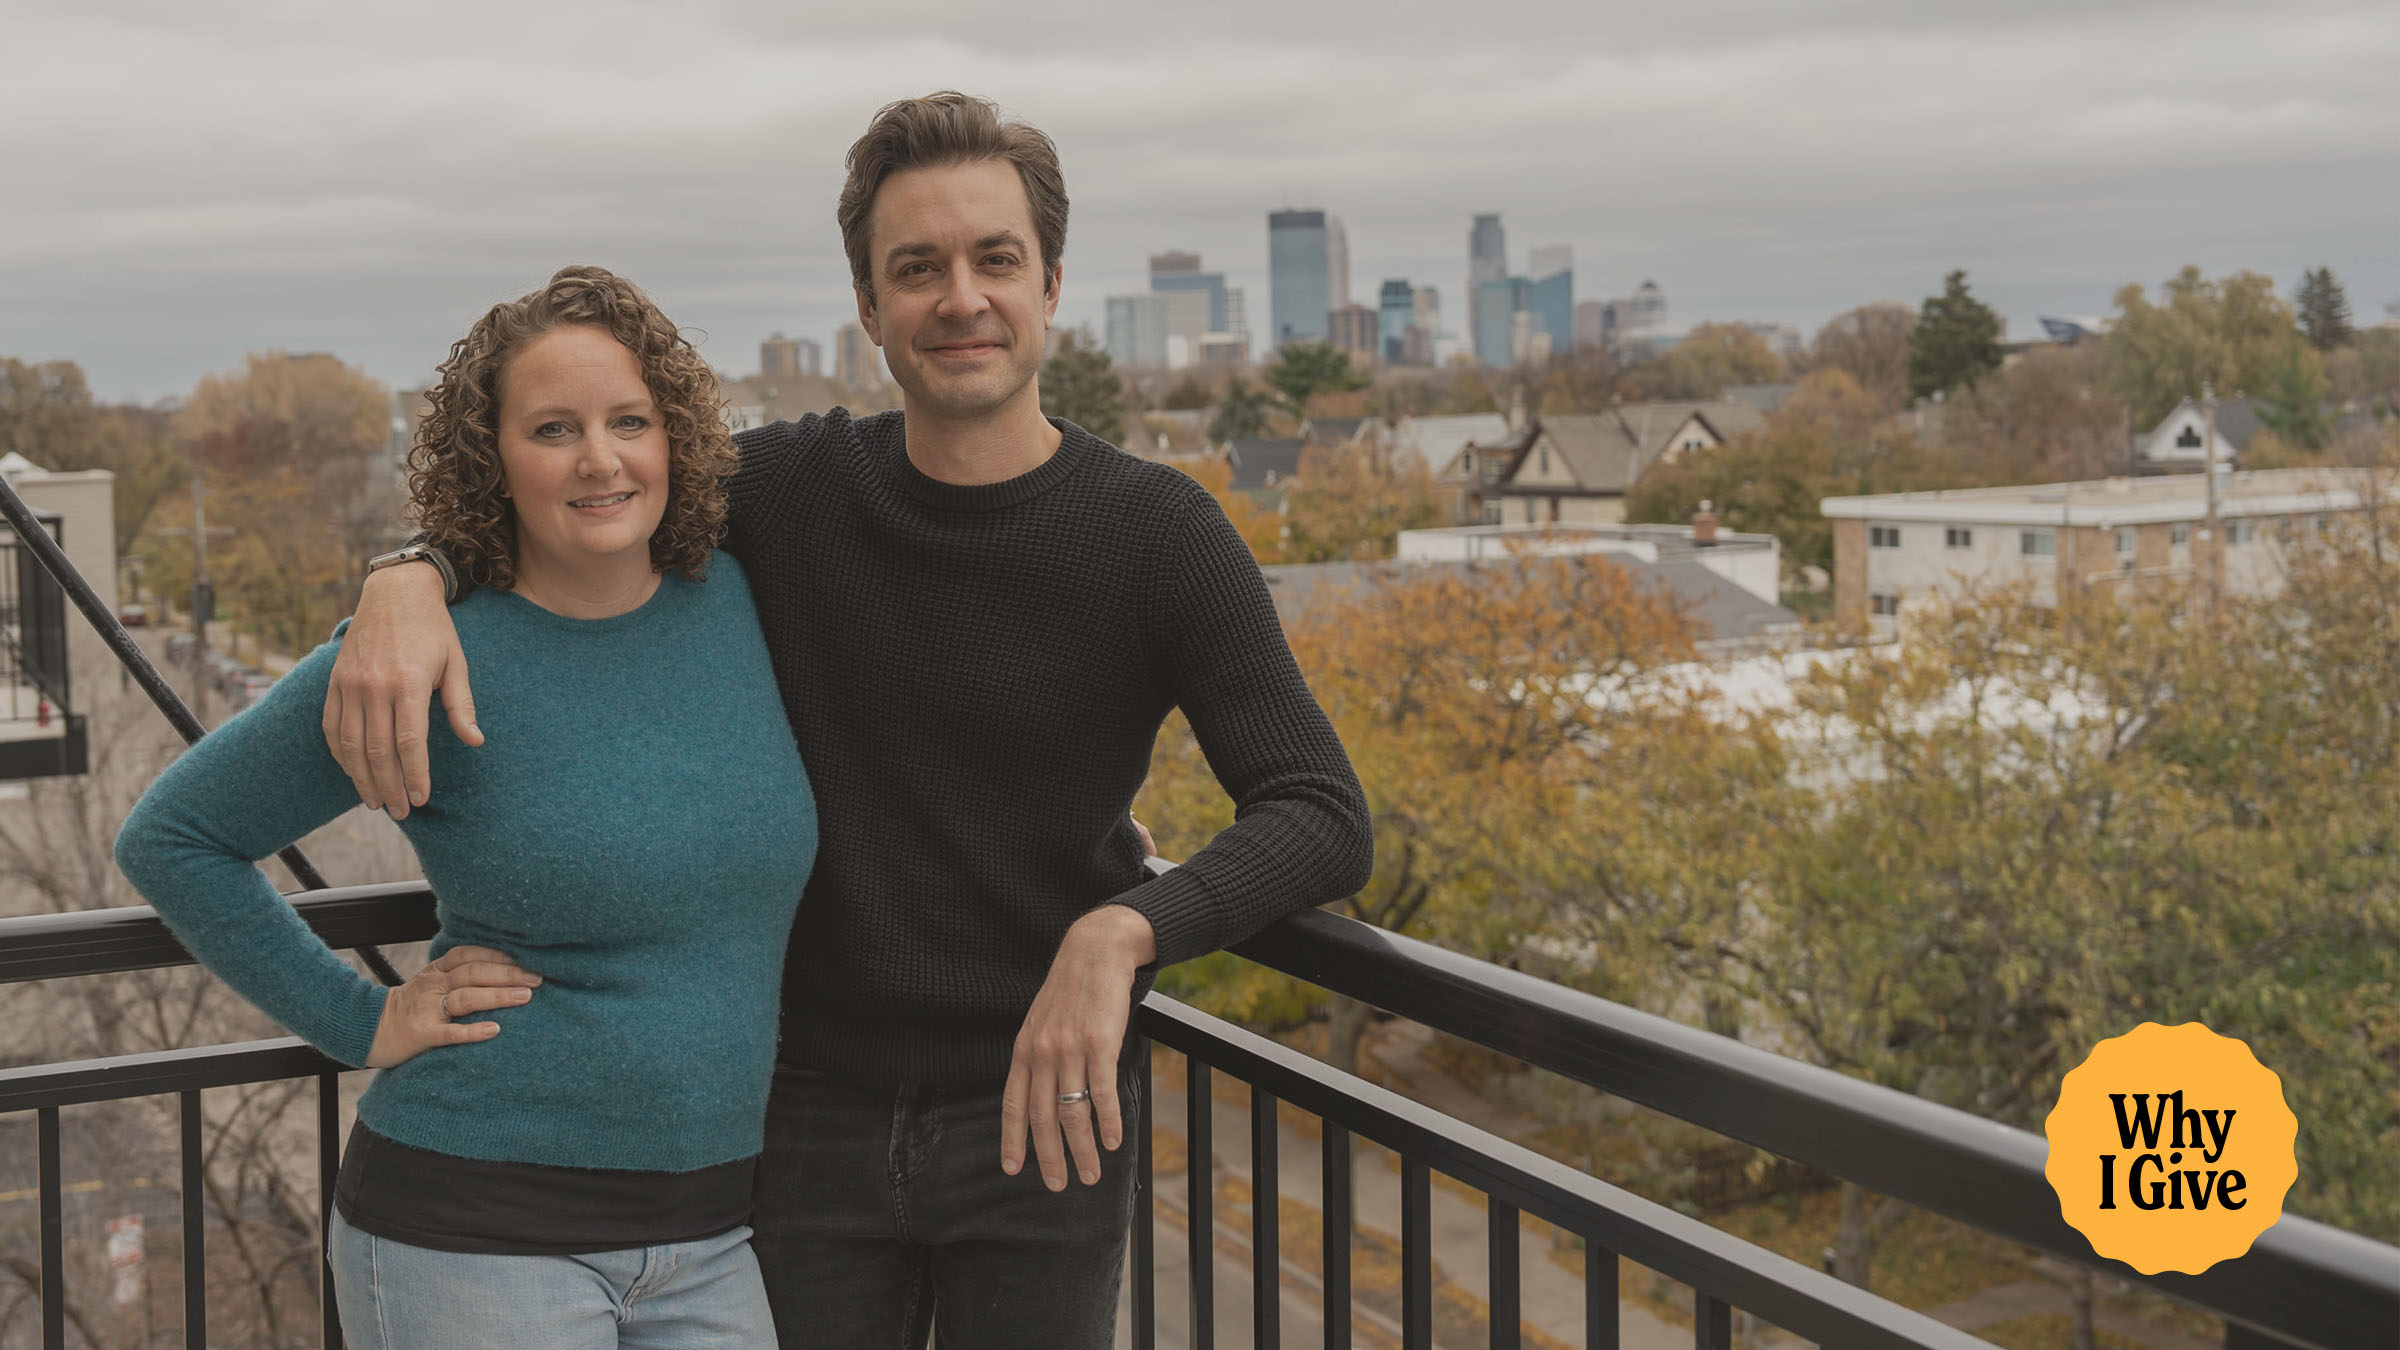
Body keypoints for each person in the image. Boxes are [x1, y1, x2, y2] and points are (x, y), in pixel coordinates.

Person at [324, 92, 1375, 1349]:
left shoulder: (1159, 535)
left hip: (1042, 1113)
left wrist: (1124, 932)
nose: (960, 298)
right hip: (793, 1122)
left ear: (1050, 284)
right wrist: (408, 573)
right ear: (871, 309)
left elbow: (1320, 811)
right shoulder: (783, 492)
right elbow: (577, 495)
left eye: (994, 260)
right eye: (915, 268)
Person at [115, 266, 814, 1348]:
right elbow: (176, 838)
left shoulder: (739, 596)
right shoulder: (427, 653)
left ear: (674, 432)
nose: (600, 458)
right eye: (552, 429)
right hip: (475, 1236)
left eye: (630, 420)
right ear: (493, 457)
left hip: (712, 1239)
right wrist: (362, 1020)